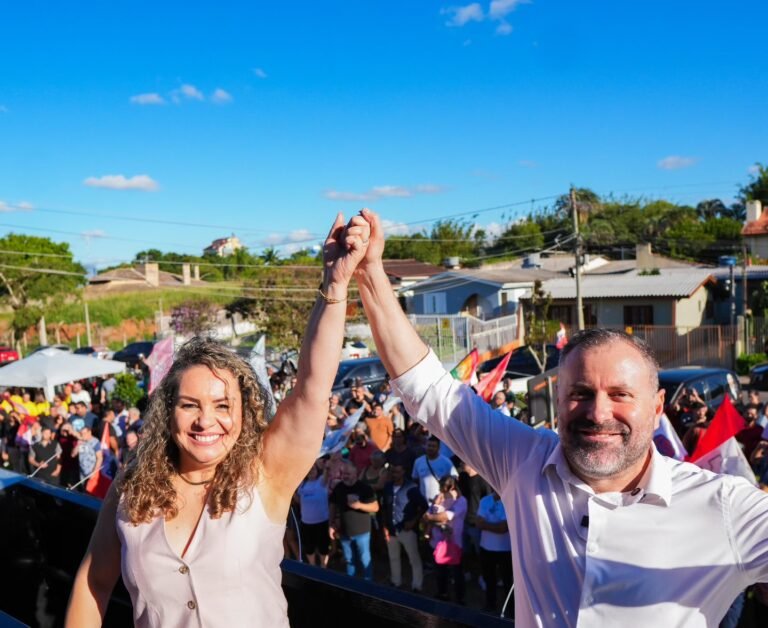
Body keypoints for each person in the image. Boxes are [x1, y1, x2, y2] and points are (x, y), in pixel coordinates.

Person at [353, 208, 768, 626]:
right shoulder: (523, 461)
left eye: (620, 394)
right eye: (581, 393)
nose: (598, 412)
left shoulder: (724, 505)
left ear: (658, 407)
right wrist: (370, 273)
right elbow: (429, 390)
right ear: (557, 397)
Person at [65, 212, 370, 627]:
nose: (206, 419)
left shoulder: (265, 473)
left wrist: (334, 287)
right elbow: (93, 582)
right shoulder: (132, 485)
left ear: (244, 414)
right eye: (190, 404)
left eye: (223, 405)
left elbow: (312, 388)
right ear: (167, 411)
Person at [329, 459, 379, 580]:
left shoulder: (364, 488)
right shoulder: (339, 487)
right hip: (344, 531)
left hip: (362, 531)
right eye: (344, 474)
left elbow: (375, 507)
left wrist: (360, 505)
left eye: (348, 474)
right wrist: (331, 524)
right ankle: (351, 586)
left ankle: (368, 588)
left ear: (355, 474)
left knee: (365, 559)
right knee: (349, 559)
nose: (345, 476)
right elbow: (333, 505)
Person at [382, 462, 427, 592]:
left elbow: (424, 506)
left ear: (403, 472)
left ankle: (417, 585)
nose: (394, 474)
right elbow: (385, 507)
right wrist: (384, 526)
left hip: (407, 529)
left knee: (414, 558)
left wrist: (414, 521)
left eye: (397, 471)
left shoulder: (411, 488)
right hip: (391, 529)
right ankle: (396, 581)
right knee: (393, 557)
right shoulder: (387, 487)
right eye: (392, 471)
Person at [423, 475, 467, 604]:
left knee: (457, 572)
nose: (442, 491)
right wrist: (435, 506)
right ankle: (442, 593)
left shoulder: (461, 501)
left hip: (454, 544)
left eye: (444, 488)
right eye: (441, 488)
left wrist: (430, 517)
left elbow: (445, 516)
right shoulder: (439, 499)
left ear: (452, 487)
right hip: (437, 543)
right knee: (440, 571)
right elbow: (427, 515)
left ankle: (460, 598)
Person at [476, 490, 512, 613]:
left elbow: (504, 528)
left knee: (508, 581)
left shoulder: (510, 500)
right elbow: (478, 523)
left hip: (506, 549)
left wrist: (486, 524)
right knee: (489, 580)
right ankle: (491, 605)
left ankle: (511, 609)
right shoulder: (485, 500)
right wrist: (496, 526)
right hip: (486, 548)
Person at [296, 460, 332, 567]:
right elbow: (298, 499)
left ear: (318, 470)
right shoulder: (302, 484)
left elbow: (327, 471)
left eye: (313, 469)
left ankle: (323, 567)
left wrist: (327, 467)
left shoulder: (322, 481)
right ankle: (312, 566)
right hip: (306, 522)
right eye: (309, 469)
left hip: (321, 521)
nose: (311, 471)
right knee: (309, 547)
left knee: (323, 547)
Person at [411, 435, 457, 504]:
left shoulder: (446, 462)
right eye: (429, 445)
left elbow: (454, 478)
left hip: (441, 502)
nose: (431, 448)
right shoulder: (418, 461)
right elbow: (415, 478)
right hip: (423, 503)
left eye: (433, 446)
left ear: (438, 448)